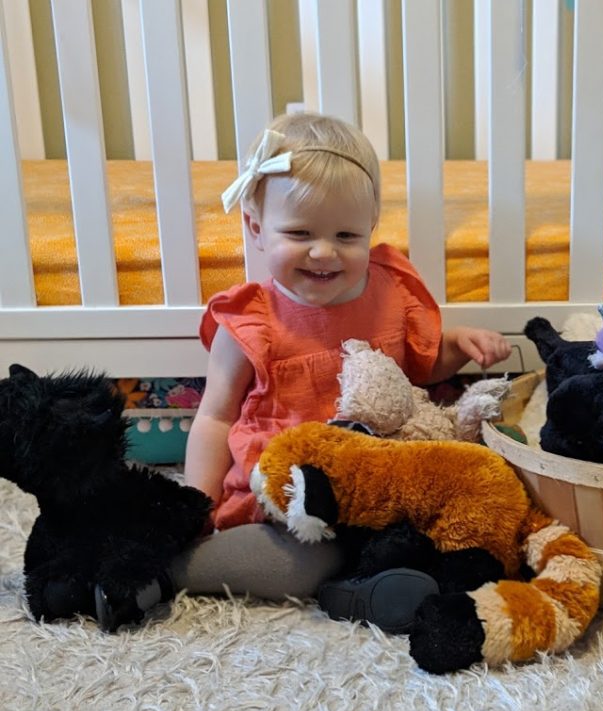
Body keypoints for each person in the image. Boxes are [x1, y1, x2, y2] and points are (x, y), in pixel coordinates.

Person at [98, 112, 511, 632]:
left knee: (451, 520)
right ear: (255, 227)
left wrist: (462, 344)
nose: (323, 251)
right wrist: (197, 507)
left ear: (371, 229)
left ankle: (361, 586)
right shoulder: (252, 320)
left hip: (383, 475)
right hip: (297, 492)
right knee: (298, 560)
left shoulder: (392, 292)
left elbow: (422, 366)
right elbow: (215, 418)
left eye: (346, 234)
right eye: (299, 233)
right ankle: (180, 569)